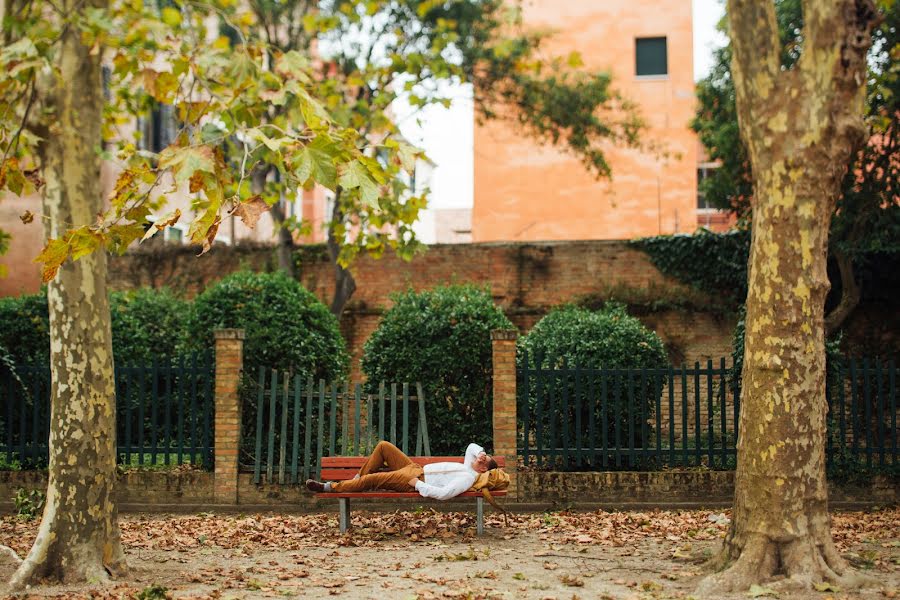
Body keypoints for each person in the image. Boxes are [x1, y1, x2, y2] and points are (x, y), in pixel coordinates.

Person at [305, 440, 497, 500]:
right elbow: (471, 446)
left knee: (372, 480)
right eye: (480, 458)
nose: (478, 460)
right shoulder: (468, 464)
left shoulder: (467, 478)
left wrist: (418, 485)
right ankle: (356, 481)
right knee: (383, 447)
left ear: (482, 470)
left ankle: (329, 487)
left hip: (413, 479)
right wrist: (481, 452)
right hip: (414, 468)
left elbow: (444, 494)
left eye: (482, 461)